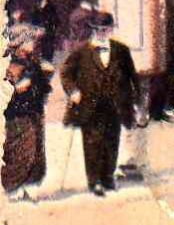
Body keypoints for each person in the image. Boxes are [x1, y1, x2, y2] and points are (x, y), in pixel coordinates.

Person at [60, 12, 138, 197]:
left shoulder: (121, 50)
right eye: (98, 30)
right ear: (93, 30)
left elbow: (132, 76)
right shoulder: (81, 51)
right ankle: (94, 181)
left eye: (106, 29)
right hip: (90, 104)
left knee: (112, 141)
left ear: (111, 29)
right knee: (93, 142)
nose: (102, 33)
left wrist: (135, 101)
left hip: (115, 104)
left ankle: (108, 177)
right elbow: (65, 74)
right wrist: (73, 91)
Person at [3, 33, 52, 200]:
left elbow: (43, 87)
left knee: (36, 152)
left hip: (34, 112)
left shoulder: (33, 63)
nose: (30, 48)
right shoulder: (9, 65)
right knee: (21, 151)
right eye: (27, 45)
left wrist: (44, 77)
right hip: (18, 115)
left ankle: (27, 186)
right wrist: (17, 87)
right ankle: (11, 188)